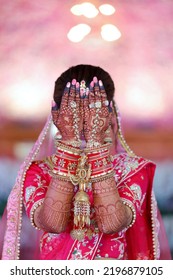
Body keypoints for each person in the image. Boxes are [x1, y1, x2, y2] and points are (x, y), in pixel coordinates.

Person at [1, 64, 171, 260]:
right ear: (58, 118)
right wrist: (70, 143)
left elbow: (112, 223)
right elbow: (52, 223)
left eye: (91, 115)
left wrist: (95, 144)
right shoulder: (39, 171)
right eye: (75, 116)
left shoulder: (132, 169)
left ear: (110, 116)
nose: (84, 125)